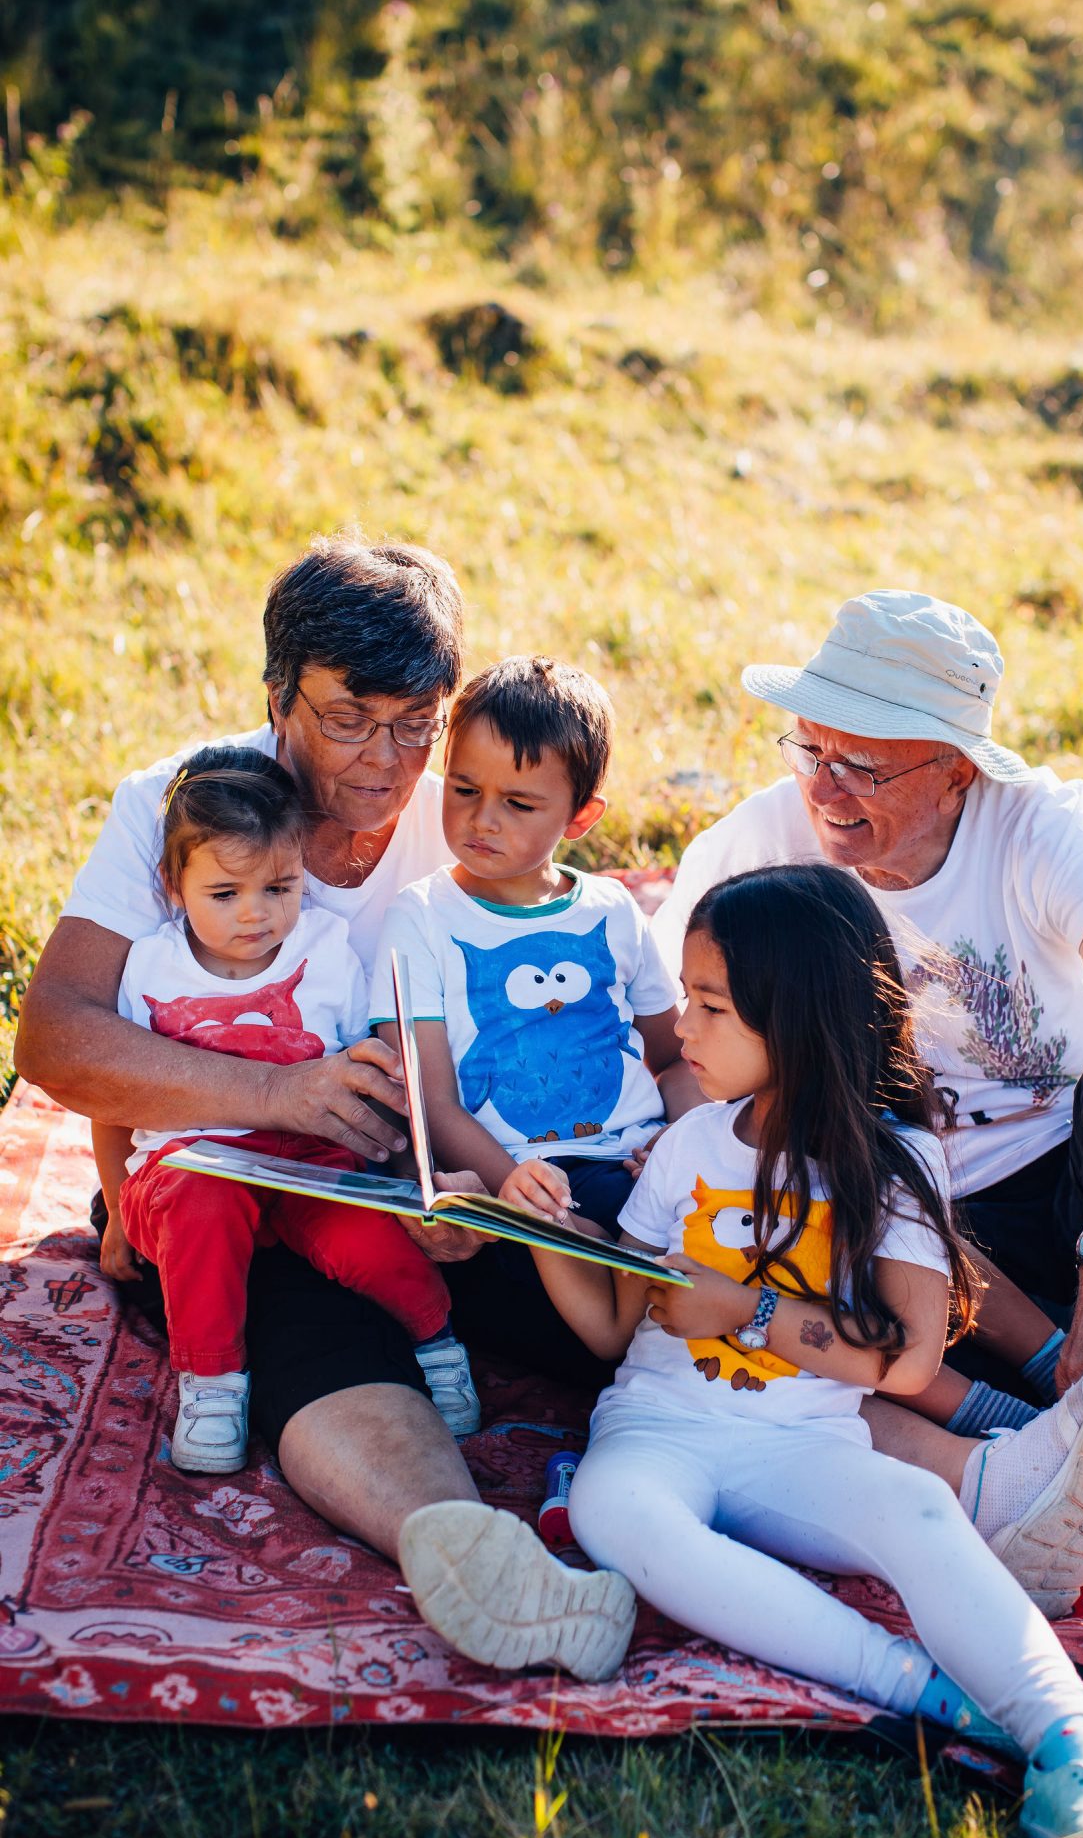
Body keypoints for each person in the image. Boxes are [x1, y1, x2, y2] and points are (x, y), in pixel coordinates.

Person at [652, 589, 1083, 1656]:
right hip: (886, 1205)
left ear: (958, 767)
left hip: (1081, 1187)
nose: (825, 788)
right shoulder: (759, 843)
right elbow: (669, 1033)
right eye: (812, 748)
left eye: (866, 765)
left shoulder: (1036, 825)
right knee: (823, 1309)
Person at [15, 530, 636, 1680]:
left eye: (417, 722)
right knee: (303, 1312)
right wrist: (278, 1093)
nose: (387, 762)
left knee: (588, 1267)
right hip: (239, 1173)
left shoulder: (462, 814)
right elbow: (55, 1033)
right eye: (349, 716)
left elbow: (555, 987)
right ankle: (471, 1551)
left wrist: (460, 1185)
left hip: (436, 1164)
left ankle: (900, 1437)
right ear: (276, 695)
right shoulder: (185, 803)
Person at [526, 865, 1083, 1838]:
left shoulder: (893, 1159)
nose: (681, 1030)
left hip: (806, 1444)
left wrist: (747, 1307)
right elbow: (614, 1333)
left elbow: (909, 1356)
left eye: (710, 1005)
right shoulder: (692, 1141)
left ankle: (1078, 1750)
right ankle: (929, 1693)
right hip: (657, 1428)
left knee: (919, 1516)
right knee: (618, 1514)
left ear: (797, 1019)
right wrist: (545, 1235)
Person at [116, 743, 477, 1471]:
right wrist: (118, 1211)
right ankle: (212, 1378)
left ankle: (436, 1340)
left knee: (368, 1241)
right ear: (173, 886)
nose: (256, 915)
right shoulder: (151, 964)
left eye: (279, 887)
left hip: (309, 1159)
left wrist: (407, 1177)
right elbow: (111, 1093)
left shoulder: (328, 949)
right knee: (202, 1211)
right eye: (226, 894)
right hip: (194, 1163)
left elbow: (370, 1071)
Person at [370, 655, 699, 1250]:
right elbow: (432, 1103)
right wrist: (514, 1189)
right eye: (464, 789)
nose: (483, 819)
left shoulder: (612, 909)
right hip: (502, 1180)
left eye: (519, 804)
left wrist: (685, 1139)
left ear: (580, 817)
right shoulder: (418, 917)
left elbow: (675, 1058)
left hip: (628, 1167)